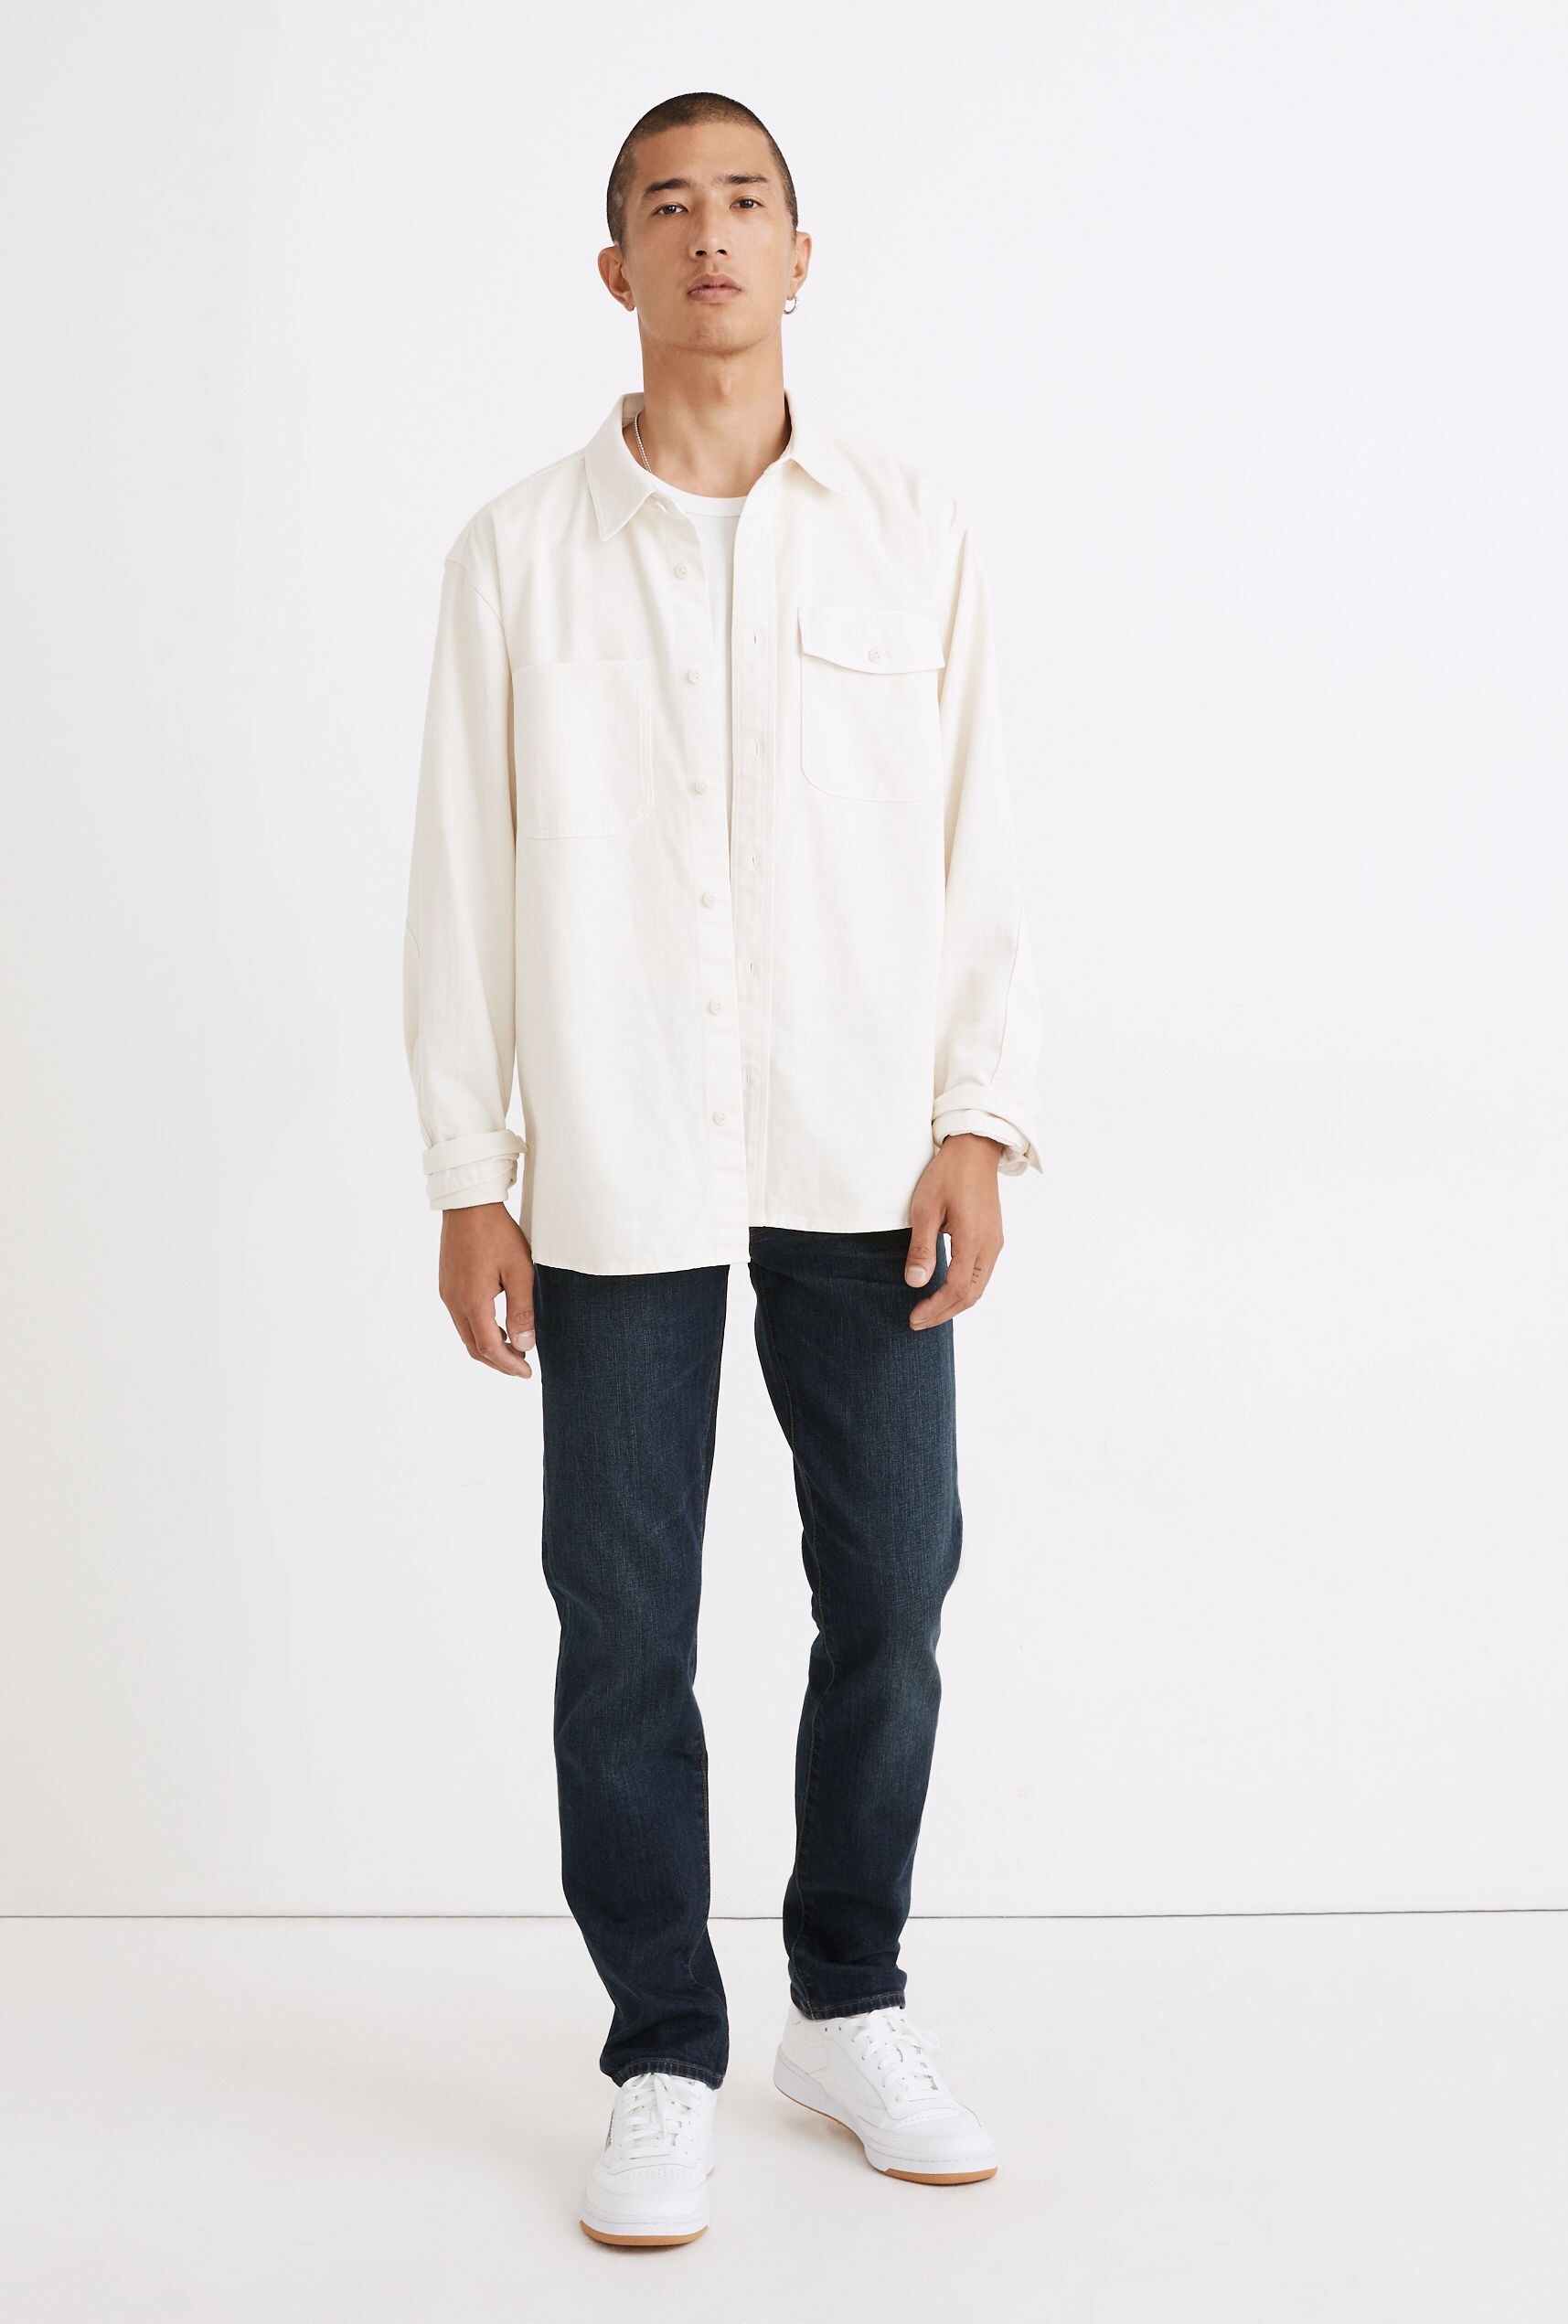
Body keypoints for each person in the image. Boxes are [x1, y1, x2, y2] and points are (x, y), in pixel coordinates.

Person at [401, 89, 1043, 2249]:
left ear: (799, 253)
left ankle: (843, 2002)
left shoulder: (910, 531)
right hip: (611, 1149)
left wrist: (977, 1114)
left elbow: (979, 839)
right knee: (621, 1618)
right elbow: (459, 873)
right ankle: (662, 2047)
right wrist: (469, 1167)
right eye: (666, 206)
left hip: (866, 1142)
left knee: (895, 1584)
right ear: (613, 266)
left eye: (746, 200)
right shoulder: (518, 555)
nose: (709, 235)